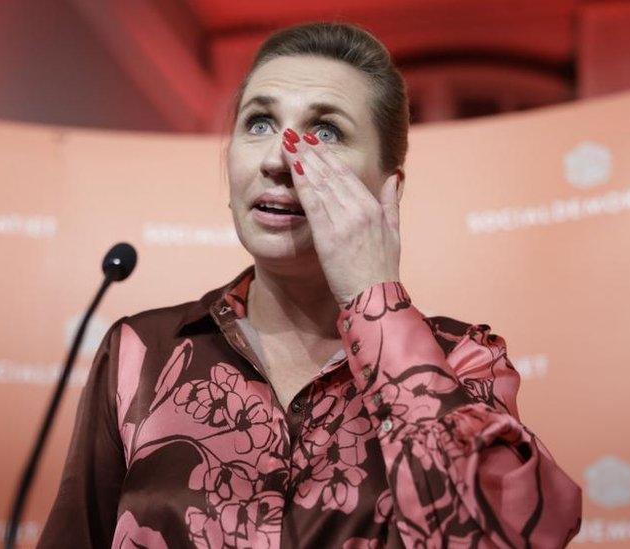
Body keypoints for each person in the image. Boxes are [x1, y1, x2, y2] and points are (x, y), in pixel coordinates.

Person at [38, 22, 582, 548]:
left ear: (387, 188)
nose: (279, 158)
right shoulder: (143, 352)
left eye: (326, 132)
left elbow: (498, 535)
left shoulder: (464, 358)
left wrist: (375, 297)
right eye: (258, 123)